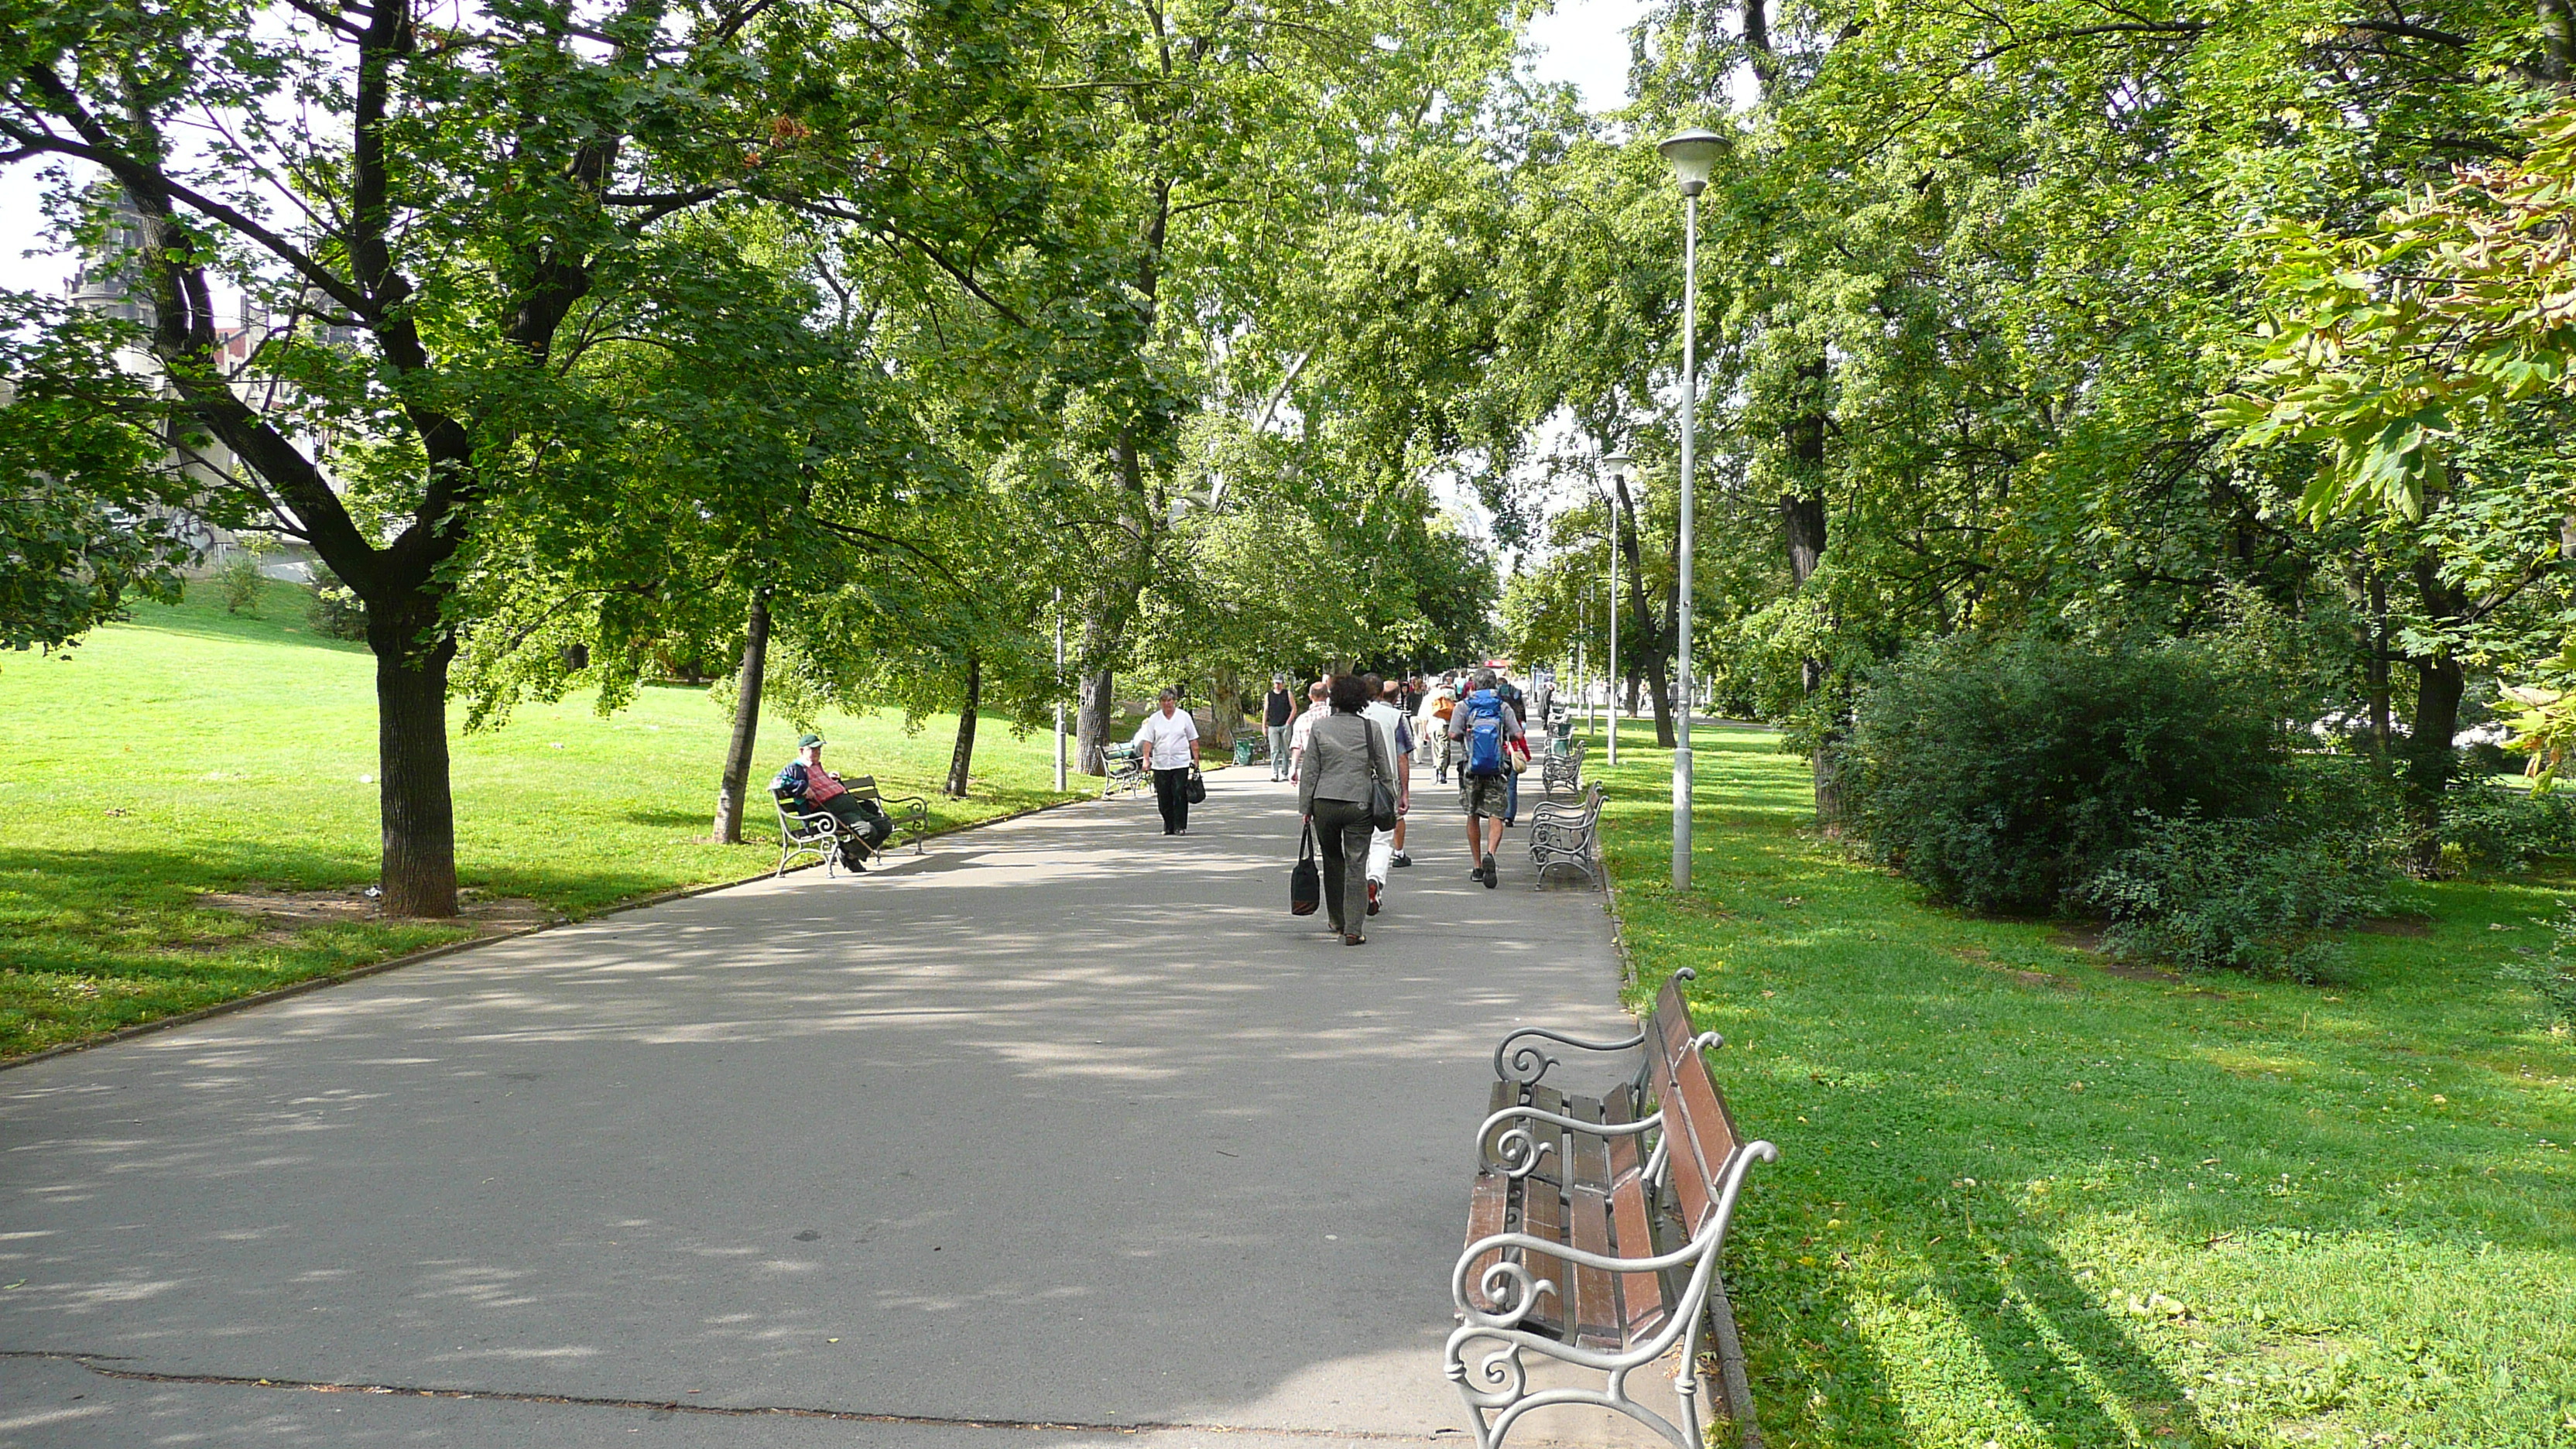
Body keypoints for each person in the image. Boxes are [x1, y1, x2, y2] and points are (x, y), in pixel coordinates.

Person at [1297, 673, 1396, 946]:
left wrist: (1305, 806)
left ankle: (1336, 919)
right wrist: (1392, 802)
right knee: (1356, 865)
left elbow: (1310, 771)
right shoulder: (1371, 728)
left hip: (1324, 803)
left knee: (1332, 860)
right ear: (1362, 700)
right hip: (1359, 804)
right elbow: (1385, 771)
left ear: (1335, 699)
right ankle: (1354, 928)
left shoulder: (1320, 727)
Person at [1447, 669, 1524, 888]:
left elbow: (1453, 734)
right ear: (1494, 686)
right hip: (1496, 769)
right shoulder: (1502, 707)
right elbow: (1518, 734)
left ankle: (1477, 865)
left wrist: (1467, 736)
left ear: (1474, 685)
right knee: (1496, 814)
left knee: (1472, 815)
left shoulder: (1464, 706)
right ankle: (1491, 852)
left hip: (1470, 769)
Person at [770, 733, 892, 871]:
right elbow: (776, 782)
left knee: (885, 826)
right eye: (813, 749)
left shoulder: (816, 766)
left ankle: (850, 854)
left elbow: (818, 782)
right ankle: (847, 852)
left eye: (819, 749)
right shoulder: (795, 768)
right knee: (867, 831)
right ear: (801, 751)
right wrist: (803, 788)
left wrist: (829, 778)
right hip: (832, 812)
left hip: (852, 807)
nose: (817, 752)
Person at [1361, 676, 1415, 904]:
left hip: (1354, 786)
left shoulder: (1351, 715)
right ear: (1381, 693)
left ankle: (1362, 882)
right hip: (1385, 786)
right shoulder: (1395, 716)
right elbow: (1402, 757)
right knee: (1382, 840)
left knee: (1357, 839)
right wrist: (1405, 791)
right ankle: (1375, 880)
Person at [1132, 688, 1202, 834]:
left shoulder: (1184, 717)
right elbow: (1148, 741)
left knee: (1178, 793)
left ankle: (1179, 826)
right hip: (1161, 763)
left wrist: (1196, 759)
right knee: (1164, 796)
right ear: (1160, 703)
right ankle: (1168, 824)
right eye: (1164, 701)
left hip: (1180, 762)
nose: (1167, 704)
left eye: (1169, 700)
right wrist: (1146, 759)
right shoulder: (1154, 719)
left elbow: (1193, 739)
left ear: (1174, 701)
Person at [1492, 670, 1529, 826]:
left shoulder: (1494, 711)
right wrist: (1525, 754)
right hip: (1512, 751)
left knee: (1498, 784)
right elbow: (1520, 736)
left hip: (1497, 751)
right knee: (1512, 786)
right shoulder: (1516, 714)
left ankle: (1498, 813)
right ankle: (1509, 816)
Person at [1287, 678, 1330, 780]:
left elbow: (1297, 746)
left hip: (1311, 764)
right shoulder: (1333, 714)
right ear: (1327, 696)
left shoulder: (1301, 720)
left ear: (1310, 697)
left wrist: (1293, 768)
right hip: (1332, 763)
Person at [1262, 673, 1297, 782]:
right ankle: (1274, 772)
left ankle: (1285, 772)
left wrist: (1288, 722)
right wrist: (1264, 726)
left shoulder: (1288, 694)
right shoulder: (1269, 695)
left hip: (1284, 725)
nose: (1278, 685)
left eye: (1280, 683)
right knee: (1274, 750)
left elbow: (1294, 709)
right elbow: (1266, 711)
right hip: (1273, 726)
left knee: (1286, 750)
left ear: (1282, 684)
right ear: (1273, 683)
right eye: (1276, 683)